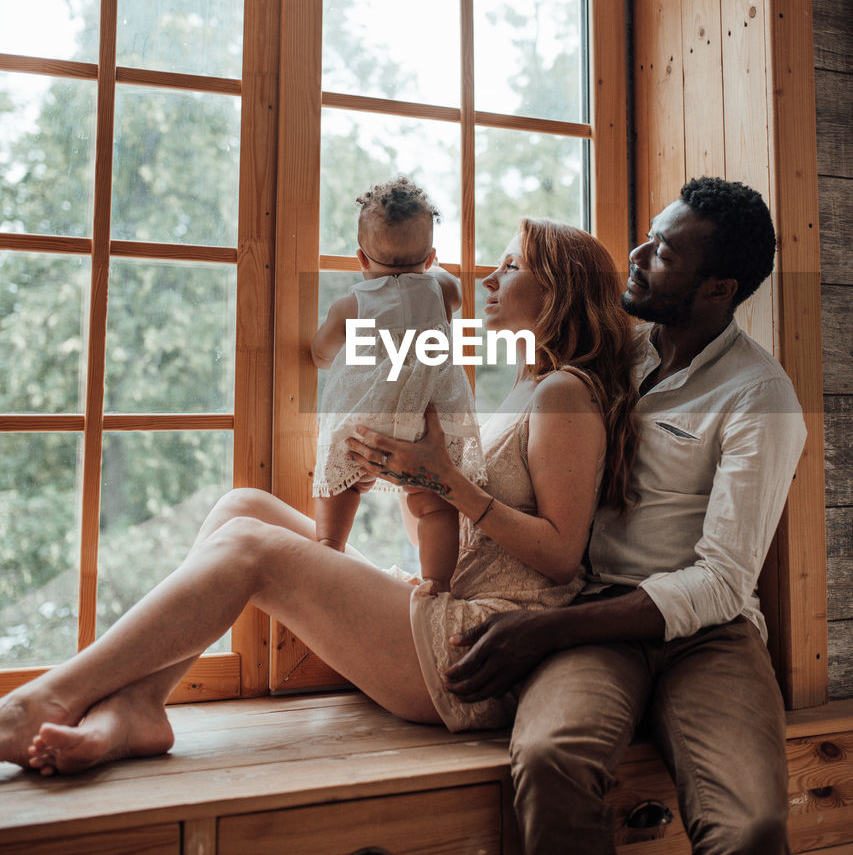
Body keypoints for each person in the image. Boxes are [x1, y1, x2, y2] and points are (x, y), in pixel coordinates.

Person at [0, 218, 636, 774]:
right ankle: (139, 705)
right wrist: (401, 475)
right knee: (241, 507)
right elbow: (464, 533)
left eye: (511, 266)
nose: (490, 279)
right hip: (449, 605)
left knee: (251, 546)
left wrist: (445, 479)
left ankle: (44, 700)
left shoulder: (565, 393)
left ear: (558, 290)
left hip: (479, 648)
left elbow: (558, 556)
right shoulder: (522, 389)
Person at [444, 178, 808, 855]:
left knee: (750, 832)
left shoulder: (760, 396)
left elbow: (718, 581)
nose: (636, 257)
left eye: (664, 252)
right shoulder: (608, 355)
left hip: (705, 636)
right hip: (593, 612)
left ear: (716, 289)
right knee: (545, 759)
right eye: (648, 235)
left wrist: (546, 628)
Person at [311, 176, 485, 592]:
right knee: (432, 504)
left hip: (370, 417)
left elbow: (321, 352)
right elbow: (457, 293)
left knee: (345, 485)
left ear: (360, 259)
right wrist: (428, 268)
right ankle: (437, 582)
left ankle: (328, 548)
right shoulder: (441, 289)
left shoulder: (353, 304)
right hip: (428, 417)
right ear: (430, 257)